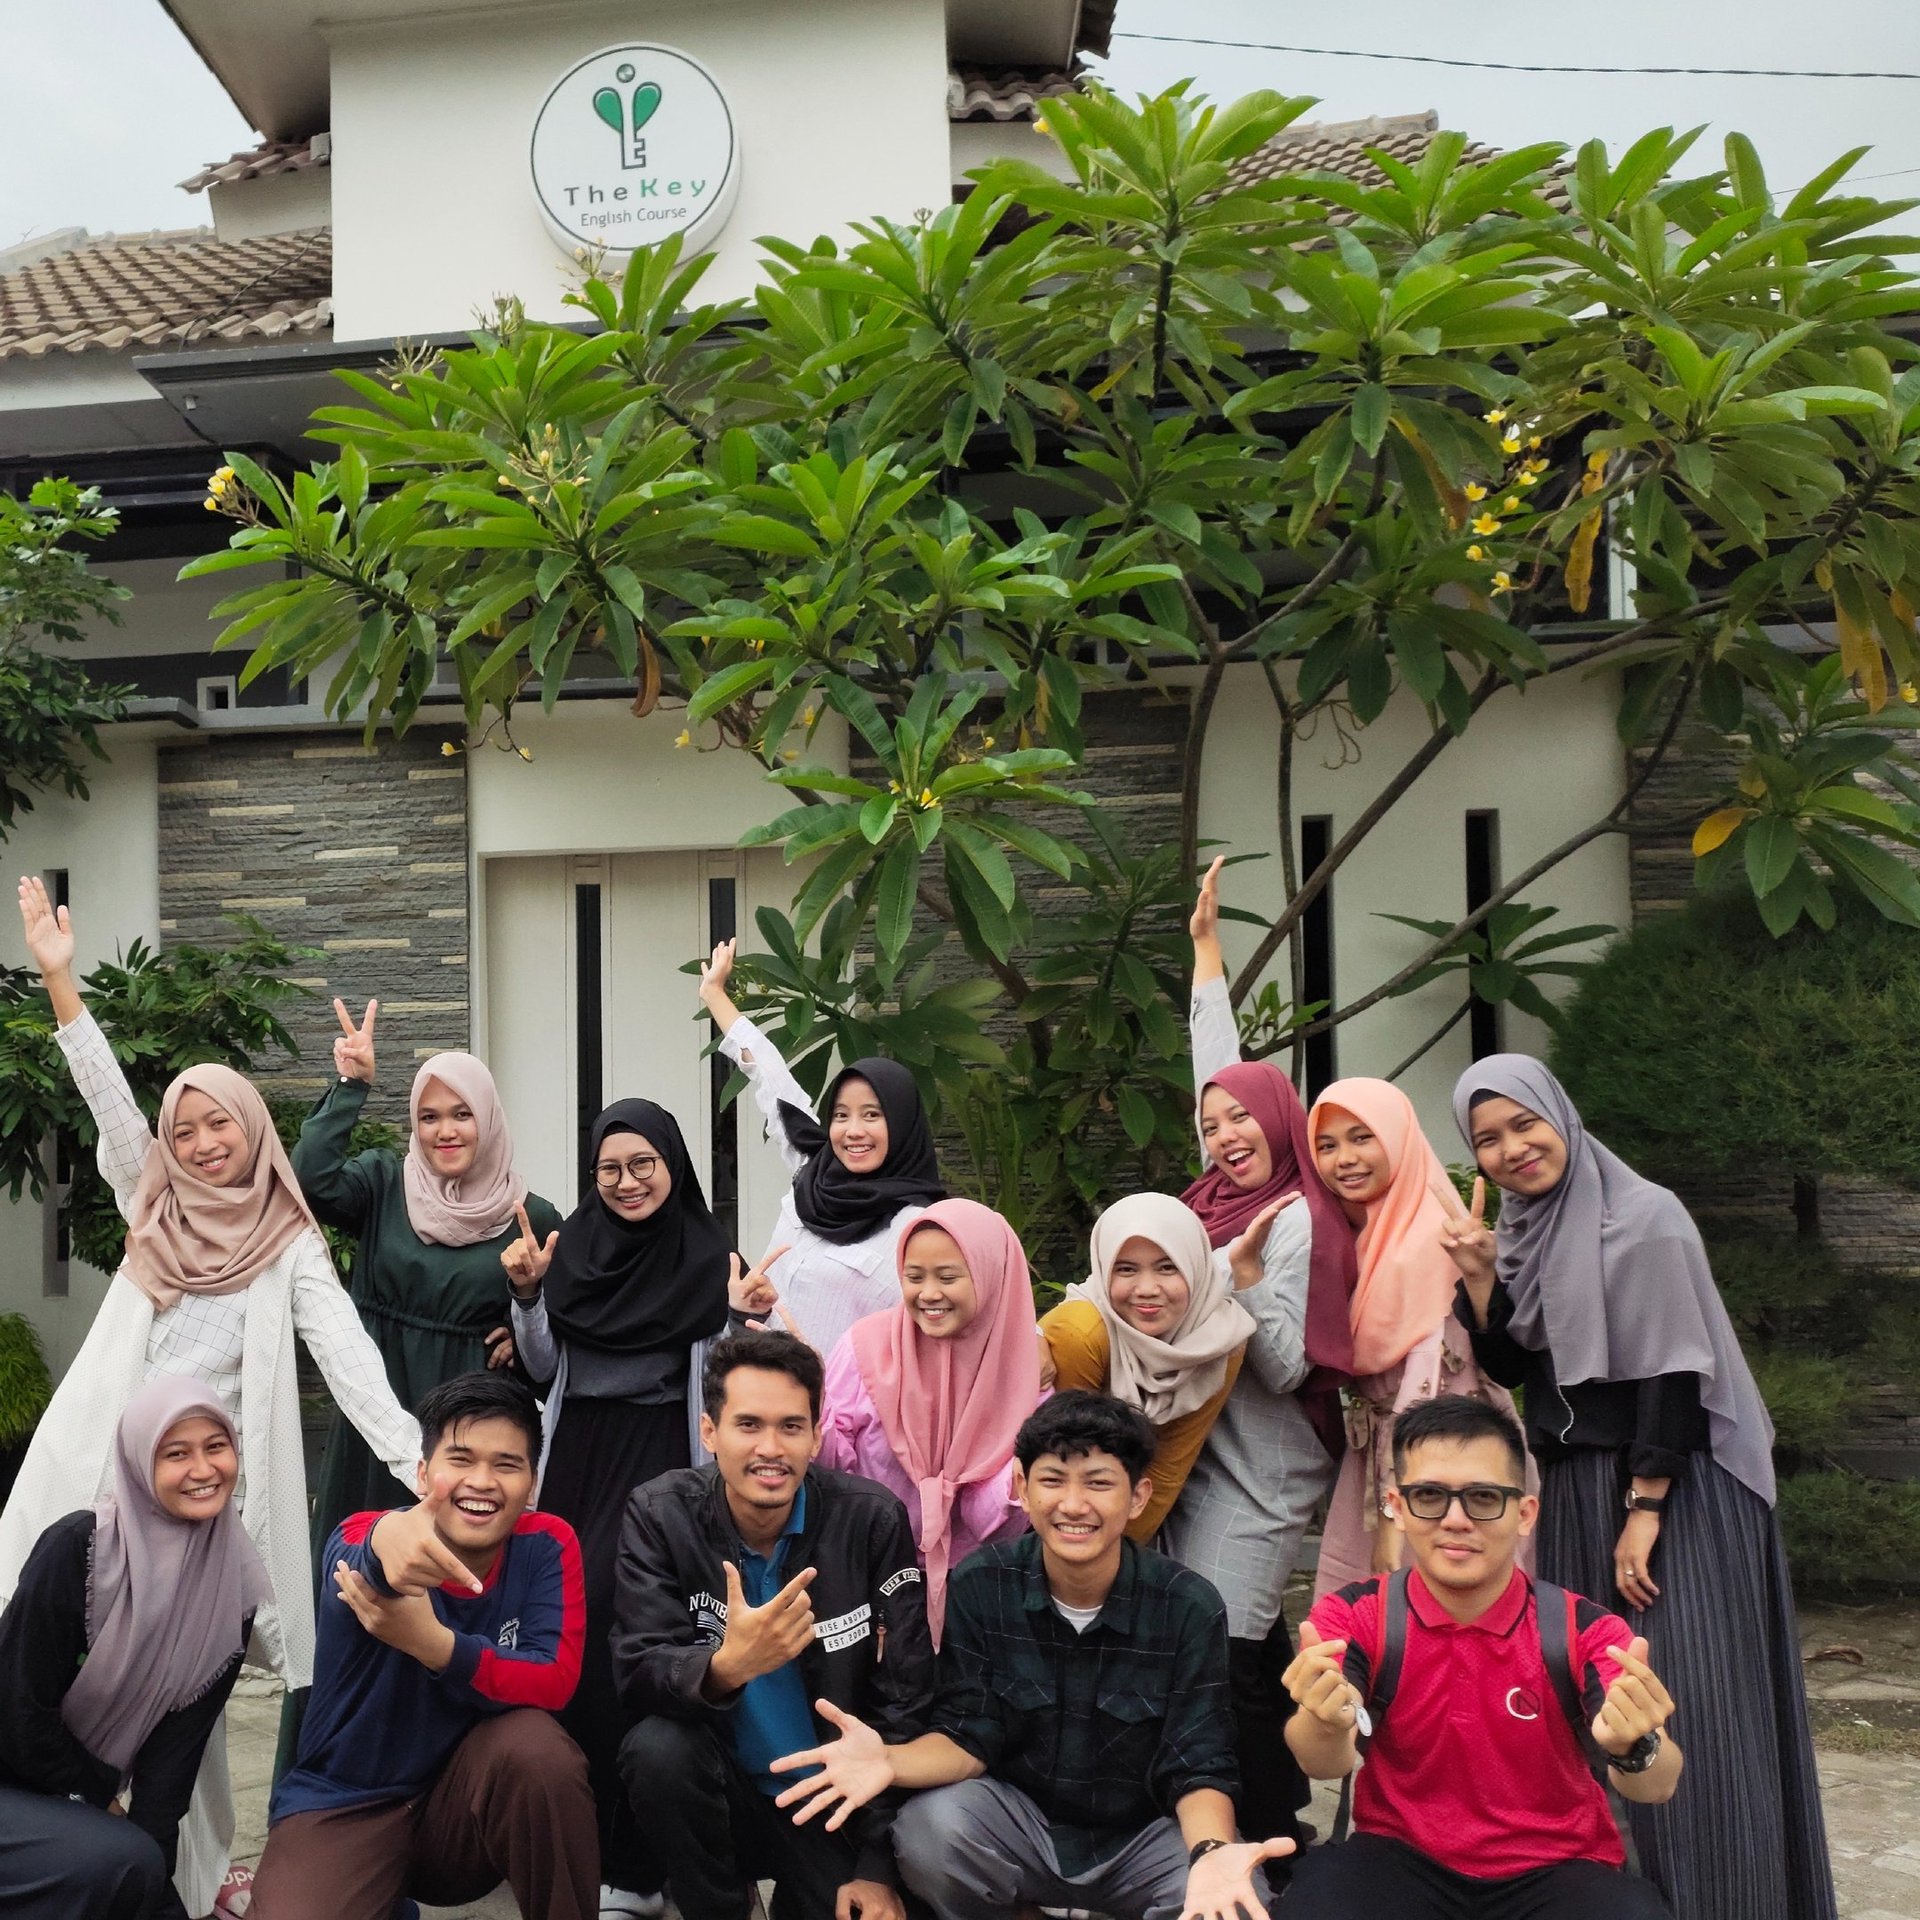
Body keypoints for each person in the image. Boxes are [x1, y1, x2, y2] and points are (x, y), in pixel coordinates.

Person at [2, 876, 421, 1916]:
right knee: (63, 1681)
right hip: (99, 1501)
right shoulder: (152, 1204)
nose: (197, 1146)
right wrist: (62, 983)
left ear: (250, 1129)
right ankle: (65, 1847)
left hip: (205, 1513)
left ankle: (170, 1883)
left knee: (185, 1716)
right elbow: (107, 1102)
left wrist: (421, 1466)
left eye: (216, 1126)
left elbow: (352, 1359)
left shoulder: (287, 1248)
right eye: (182, 1130)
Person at [1445, 1056, 1835, 1920]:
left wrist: (1646, 1509)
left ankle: (1727, 1901)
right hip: (1586, 1487)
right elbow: (1519, 1369)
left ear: (1562, 1117)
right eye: (1488, 1140)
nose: (1513, 1150)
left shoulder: (1646, 1219)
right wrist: (1480, 1277)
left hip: (1678, 1492)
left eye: (1524, 1125)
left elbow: (1673, 1374)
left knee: (1685, 1702)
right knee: (1607, 1712)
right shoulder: (1525, 1231)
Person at [772, 1390, 1290, 1920]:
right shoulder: (981, 1584)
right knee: (930, 1832)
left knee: (1234, 1902)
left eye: (1099, 1483)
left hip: (1142, 1836)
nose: (1072, 1504)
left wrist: (1210, 1853)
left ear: (1138, 1496)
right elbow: (967, 1734)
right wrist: (888, 1760)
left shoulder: (1190, 1606)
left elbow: (1199, 1763)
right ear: (1021, 1486)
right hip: (1021, 1827)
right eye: (1053, 1480)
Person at [278, 999, 562, 1775]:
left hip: (466, 1441)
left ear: (489, 1121)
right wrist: (351, 1086)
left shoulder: (529, 1215)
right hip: (377, 1420)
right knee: (346, 1590)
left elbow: (554, 1338)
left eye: (462, 1114)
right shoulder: (379, 1185)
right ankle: (322, 1777)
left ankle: (446, 1792)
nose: (445, 1130)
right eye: (430, 1114)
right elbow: (307, 1180)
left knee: (451, 1604)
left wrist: (529, 1305)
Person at [1281, 1396, 1680, 1919]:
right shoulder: (1358, 1615)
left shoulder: (1583, 1628)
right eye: (1429, 1495)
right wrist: (1324, 1719)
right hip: (1401, 1859)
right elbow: (1321, 1761)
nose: (1455, 1520)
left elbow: (1658, 1785)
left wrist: (1633, 1744)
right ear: (1396, 1507)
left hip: (1556, 1867)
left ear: (1524, 1513)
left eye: (1483, 1497)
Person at [611, 1330, 935, 1920]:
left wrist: (876, 1867)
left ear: (816, 1434)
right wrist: (728, 1666)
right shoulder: (661, 1513)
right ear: (709, 1432)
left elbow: (905, 1698)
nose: (771, 1448)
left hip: (832, 1796)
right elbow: (638, 1669)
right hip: (721, 1789)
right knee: (657, 1749)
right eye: (748, 1424)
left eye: (791, 1426)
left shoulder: (871, 1520)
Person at [501, 1097, 734, 1917]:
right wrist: (530, 1299)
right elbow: (538, 1368)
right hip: (578, 1464)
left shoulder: (710, 1259)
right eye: (611, 1169)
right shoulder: (572, 1253)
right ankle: (594, 1852)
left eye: (645, 1165)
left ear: (674, 1166)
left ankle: (644, 1863)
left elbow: (720, 1379)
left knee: (643, 1634)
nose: (629, 1182)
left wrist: (751, 1317)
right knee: (574, 1635)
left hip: (664, 1464)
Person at [251, 1371, 595, 1920]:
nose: (481, 1481)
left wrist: (438, 1646)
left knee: (536, 1748)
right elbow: (369, 1547)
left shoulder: (547, 1545)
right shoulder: (365, 1532)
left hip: (464, 1807)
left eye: (506, 1464)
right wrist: (388, 1546)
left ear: (531, 1484)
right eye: (460, 1460)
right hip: (346, 1800)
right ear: (422, 1473)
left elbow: (553, 1680)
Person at [1168, 856, 1357, 1843]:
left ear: (1281, 1118)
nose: (1226, 1131)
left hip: (1263, 1465)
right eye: (1211, 1123)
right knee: (1236, 1642)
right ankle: (1251, 1814)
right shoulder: (1210, 1202)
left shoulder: (1290, 1217)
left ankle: (1270, 1831)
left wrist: (1237, 1283)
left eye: (1244, 1115)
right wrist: (1206, 954)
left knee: (1221, 1648)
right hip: (1198, 1453)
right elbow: (1217, 1068)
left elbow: (1287, 1366)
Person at [0, 1377, 265, 1920]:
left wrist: (154, 1868)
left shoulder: (232, 1589)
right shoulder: (79, 1549)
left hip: (73, 1798)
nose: (203, 1469)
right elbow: (15, 1711)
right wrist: (100, 1797)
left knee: (141, 1877)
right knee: (116, 1862)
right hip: (11, 1777)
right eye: (176, 1453)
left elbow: (176, 1755)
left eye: (216, 1447)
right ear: (139, 1462)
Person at [1304, 1077, 1527, 1598]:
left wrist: (1392, 1514)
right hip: (1383, 1453)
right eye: (1327, 1145)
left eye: (1363, 1138)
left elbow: (1425, 1388)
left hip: (1445, 1464)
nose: (1345, 1159)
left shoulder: (1429, 1234)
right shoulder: (1364, 1233)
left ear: (1398, 1137)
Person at [698, 939, 947, 1357]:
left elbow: (971, 1301)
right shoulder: (813, 1170)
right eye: (841, 1115)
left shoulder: (921, 1226)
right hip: (770, 1394)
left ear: (902, 1124)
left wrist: (1036, 1346)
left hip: (851, 1412)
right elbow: (770, 1077)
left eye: (872, 1115)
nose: (853, 1131)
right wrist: (714, 996)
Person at [818, 1196, 1040, 1646]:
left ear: (990, 1275)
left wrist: (1025, 1479)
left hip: (976, 1589)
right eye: (914, 1277)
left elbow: (990, 1520)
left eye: (948, 1277)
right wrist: (806, 1411)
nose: (928, 1294)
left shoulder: (1025, 1370)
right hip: (865, 1574)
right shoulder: (866, 1347)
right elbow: (830, 1466)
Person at [1038, 1192, 1254, 1542]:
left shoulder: (1219, 1340)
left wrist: (1117, 1559)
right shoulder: (1079, 1333)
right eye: (1125, 1269)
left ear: (1195, 1264)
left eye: (1168, 1267)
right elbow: (1058, 1462)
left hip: (1120, 1522)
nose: (1147, 1289)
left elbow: (1168, 1468)